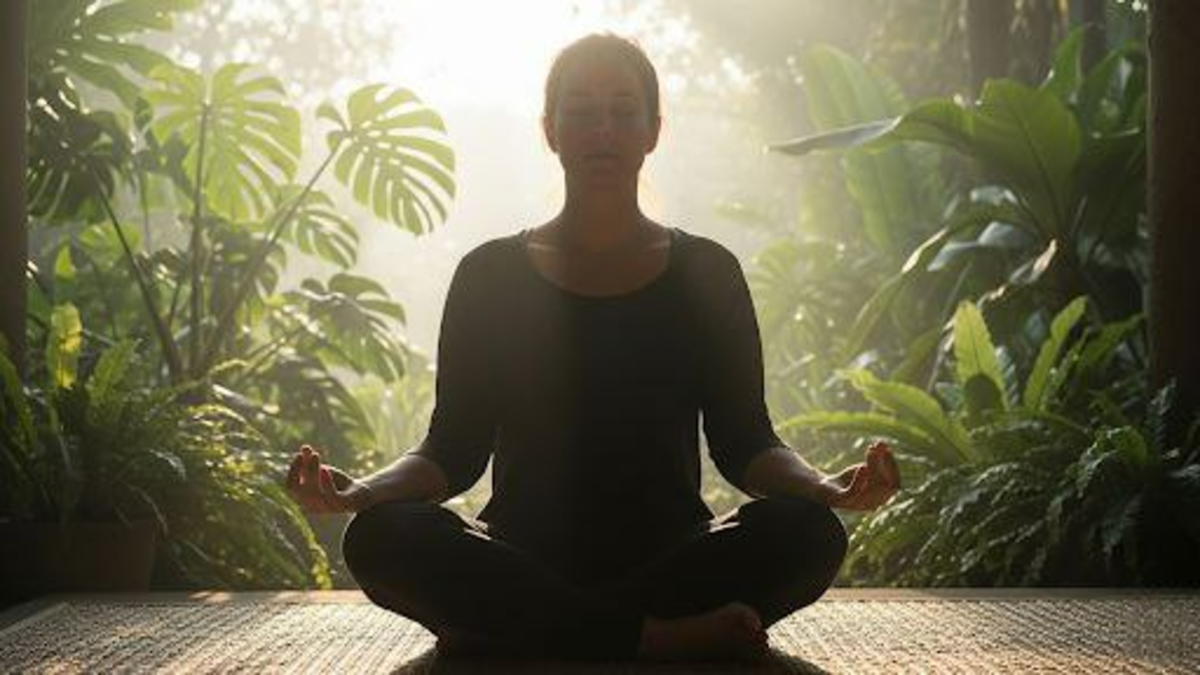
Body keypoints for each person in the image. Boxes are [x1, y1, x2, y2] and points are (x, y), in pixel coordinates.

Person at [285, 33, 900, 663]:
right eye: (580, 111)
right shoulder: (489, 274)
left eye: (622, 110)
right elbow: (451, 451)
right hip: (522, 553)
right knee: (381, 536)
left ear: (652, 130)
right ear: (550, 130)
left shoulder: (707, 272)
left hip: (673, 556)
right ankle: (652, 640)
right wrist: (362, 494)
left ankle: (523, 631)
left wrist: (826, 488)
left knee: (808, 532)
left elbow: (747, 443)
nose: (602, 130)